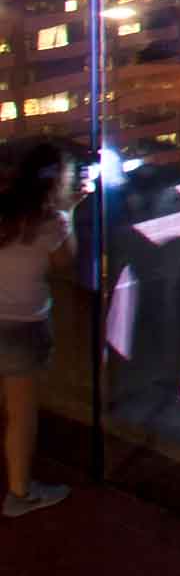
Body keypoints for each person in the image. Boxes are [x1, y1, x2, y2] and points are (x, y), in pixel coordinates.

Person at [0, 139, 80, 517]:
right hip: (23, 329)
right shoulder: (51, 222)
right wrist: (70, 212)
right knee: (20, 415)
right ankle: (20, 492)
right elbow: (65, 263)